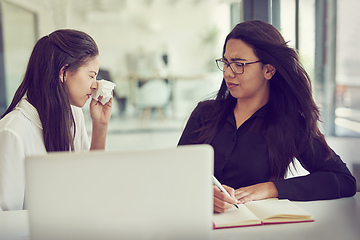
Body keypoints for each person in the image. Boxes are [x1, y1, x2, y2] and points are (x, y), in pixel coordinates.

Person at [177, 20, 356, 213]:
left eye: (239, 64)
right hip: (198, 224)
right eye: (226, 63)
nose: (228, 73)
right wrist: (204, 192)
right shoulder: (205, 114)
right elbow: (176, 172)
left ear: (269, 70)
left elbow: (343, 180)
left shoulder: (290, 124)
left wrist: (271, 188)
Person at [0, 29, 113, 211]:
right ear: (63, 72)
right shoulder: (12, 132)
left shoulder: (73, 114)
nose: (95, 85)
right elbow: (6, 218)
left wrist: (100, 125)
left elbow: (91, 183)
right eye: (91, 75)